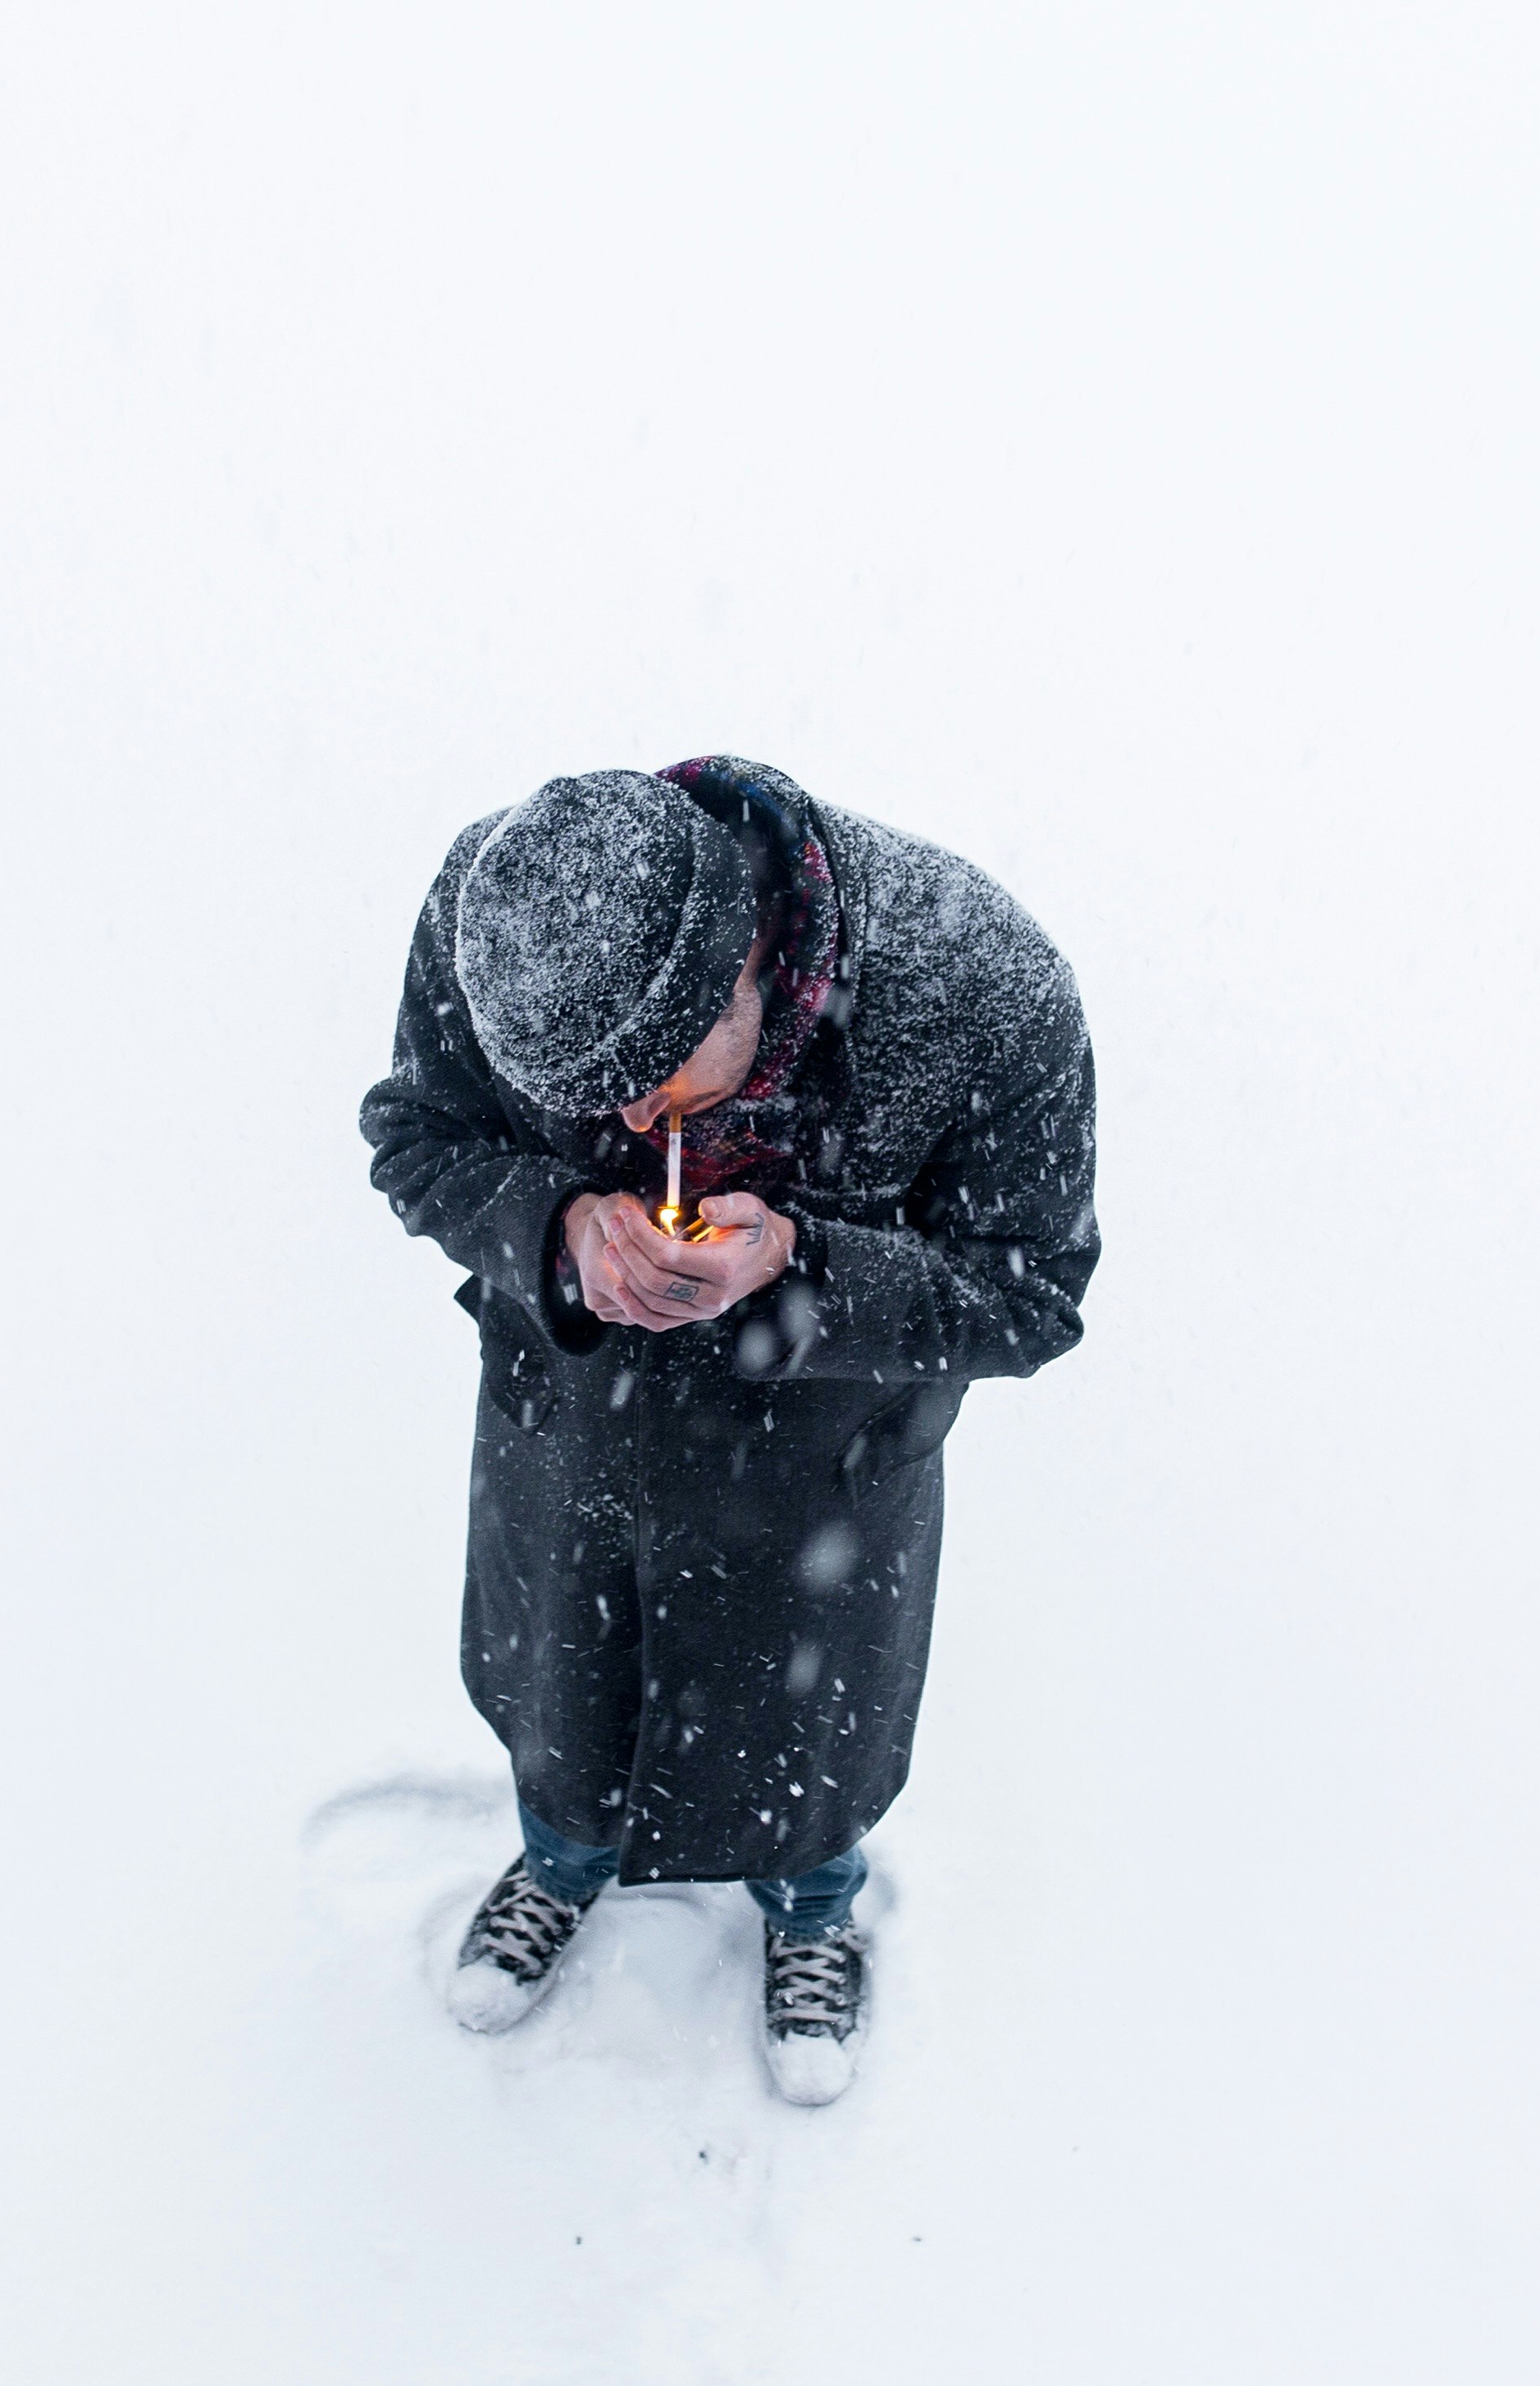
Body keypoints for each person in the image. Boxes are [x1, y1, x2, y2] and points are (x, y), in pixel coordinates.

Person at [358, 757, 1099, 2105]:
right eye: (597, 1107)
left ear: (750, 959)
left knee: (802, 1760)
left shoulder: (983, 985)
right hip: (575, 1446)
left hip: (821, 1490)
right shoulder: (499, 909)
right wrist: (558, 1226)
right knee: (565, 1722)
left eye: (656, 1087)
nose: (636, 1129)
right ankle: (561, 1861)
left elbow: (1034, 1293)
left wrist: (807, 1275)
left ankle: (813, 1914)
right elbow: (417, 1135)